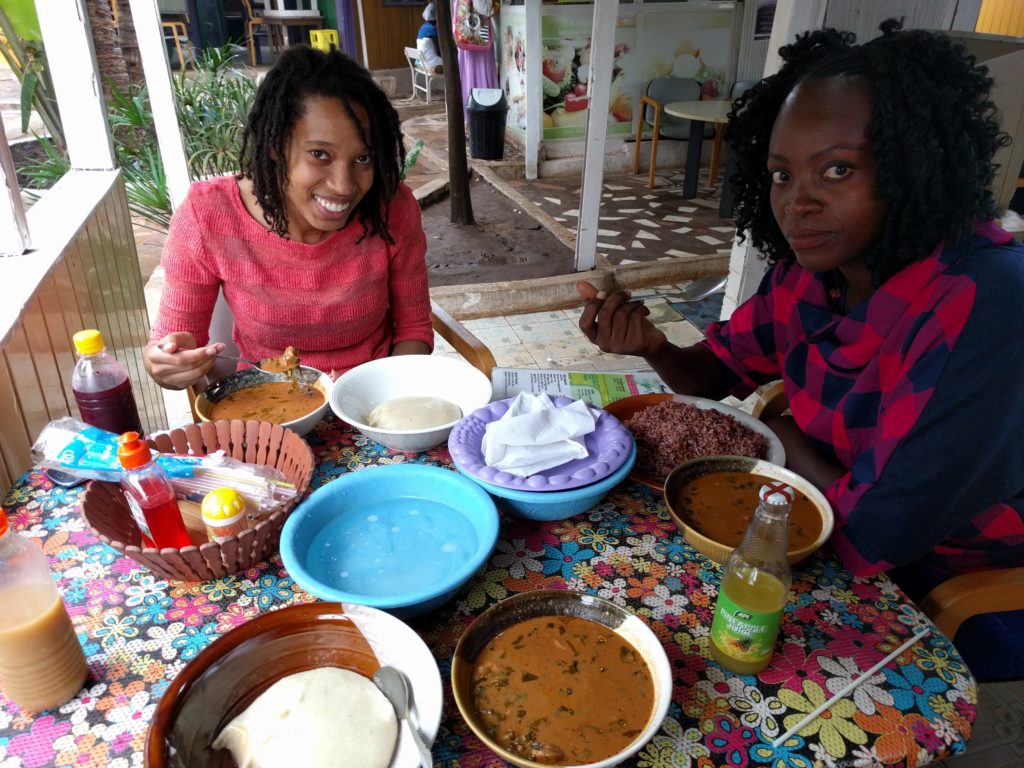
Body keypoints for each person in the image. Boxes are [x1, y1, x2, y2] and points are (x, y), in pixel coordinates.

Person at [578, 21, 1024, 679]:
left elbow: (880, 532)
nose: (797, 204)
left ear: (913, 163)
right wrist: (651, 344)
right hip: (806, 511)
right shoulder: (814, 274)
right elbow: (714, 371)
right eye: (782, 175)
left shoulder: (988, 305)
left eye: (837, 169)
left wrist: (779, 429)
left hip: (944, 581)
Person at [144, 46, 433, 390]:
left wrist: (391, 402)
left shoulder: (391, 208)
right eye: (319, 154)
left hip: (373, 399)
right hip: (269, 405)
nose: (344, 186)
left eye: (363, 158)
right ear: (275, 147)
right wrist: (168, 364)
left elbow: (414, 328)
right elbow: (168, 346)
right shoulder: (207, 215)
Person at [416, 2, 443, 74]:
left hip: (422, 62)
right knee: (453, 63)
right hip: (431, 64)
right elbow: (439, 52)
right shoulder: (433, 29)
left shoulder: (423, 27)